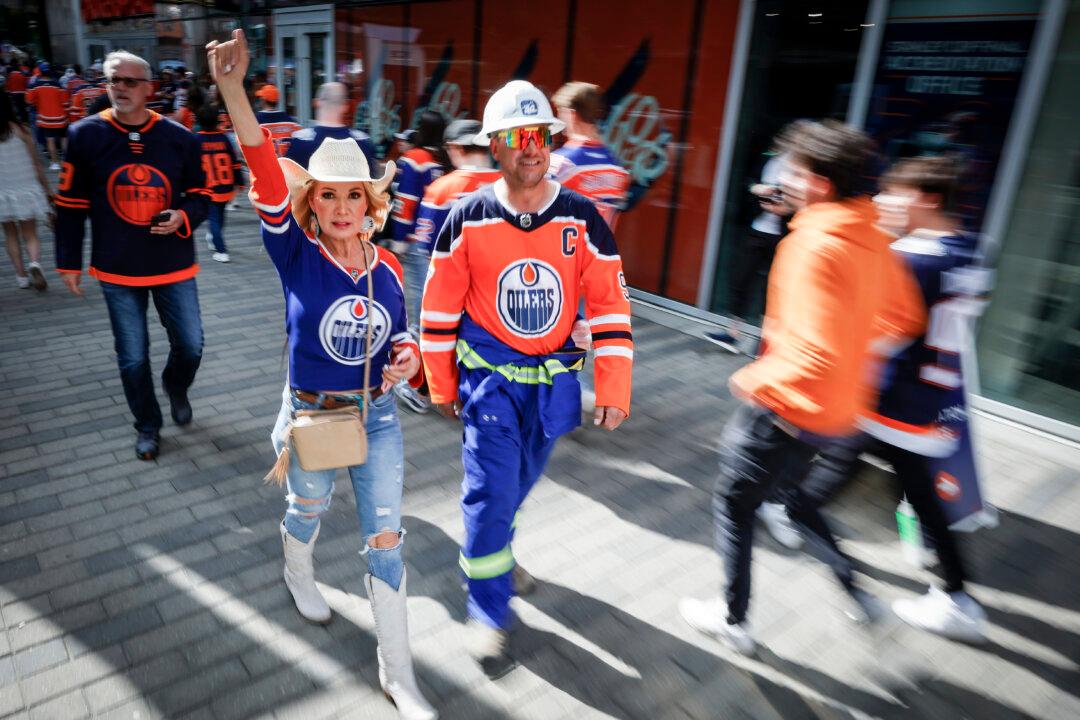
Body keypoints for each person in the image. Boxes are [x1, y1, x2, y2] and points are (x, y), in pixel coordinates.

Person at [208, 30, 437, 720]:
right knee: (307, 509)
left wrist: (413, 353)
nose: (342, 208)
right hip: (313, 415)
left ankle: (399, 675)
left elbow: (402, 333)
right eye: (330, 196)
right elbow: (266, 171)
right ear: (317, 204)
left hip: (379, 415)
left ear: (372, 205)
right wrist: (231, 90)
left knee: (387, 539)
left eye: (355, 197)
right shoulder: (295, 252)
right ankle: (296, 569)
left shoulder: (390, 267)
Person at [678, 119, 926, 656]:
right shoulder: (874, 238)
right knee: (790, 499)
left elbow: (815, 349)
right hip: (835, 414)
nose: (785, 179)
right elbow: (905, 317)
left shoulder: (812, 242)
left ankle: (732, 619)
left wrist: (754, 378)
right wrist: (852, 353)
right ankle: (859, 595)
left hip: (787, 408)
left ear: (820, 182)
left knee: (734, 504)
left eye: (795, 170)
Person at [421, 80, 634, 677]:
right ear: (495, 147)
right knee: (490, 497)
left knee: (516, 487)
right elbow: (438, 312)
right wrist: (440, 383)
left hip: (554, 387)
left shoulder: (582, 216)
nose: (530, 148)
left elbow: (611, 306)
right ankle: (488, 610)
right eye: (515, 138)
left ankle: (498, 554)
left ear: (551, 140)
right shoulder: (467, 216)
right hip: (489, 387)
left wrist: (614, 388)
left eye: (538, 135)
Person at [789, 156, 988, 641]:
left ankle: (816, 544)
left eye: (897, 193)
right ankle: (957, 597)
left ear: (929, 199)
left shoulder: (912, 259)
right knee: (918, 493)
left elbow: (875, 330)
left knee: (816, 484)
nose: (884, 202)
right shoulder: (972, 251)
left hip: (891, 400)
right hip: (931, 399)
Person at [53, 50, 210, 461]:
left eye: (129, 81)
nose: (119, 87)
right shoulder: (85, 135)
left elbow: (202, 196)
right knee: (132, 355)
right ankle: (147, 425)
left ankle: (175, 385)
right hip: (117, 266)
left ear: (149, 88)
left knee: (191, 345)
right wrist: (68, 261)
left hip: (173, 262)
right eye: (113, 80)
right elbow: (69, 204)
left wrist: (182, 216)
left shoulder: (180, 139)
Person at [393, 118, 500, 415]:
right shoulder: (508, 186)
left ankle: (416, 387)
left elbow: (428, 245)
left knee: (431, 330)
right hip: (495, 289)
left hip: (451, 284)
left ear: (453, 148)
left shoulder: (442, 188)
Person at [705, 147, 793, 355]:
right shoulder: (768, 159)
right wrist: (757, 189)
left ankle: (765, 343)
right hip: (758, 228)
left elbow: (804, 201)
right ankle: (733, 334)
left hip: (783, 235)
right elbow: (749, 182)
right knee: (740, 279)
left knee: (772, 289)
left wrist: (786, 207)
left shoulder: (801, 167)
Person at [391, 111, 449, 329]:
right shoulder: (445, 159)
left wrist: (399, 239)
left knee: (418, 290)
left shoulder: (414, 158)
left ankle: (419, 335)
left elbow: (405, 201)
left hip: (418, 237)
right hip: (443, 236)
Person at [548, 82, 630, 230]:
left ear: (571, 115)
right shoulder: (617, 168)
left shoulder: (560, 163)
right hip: (602, 251)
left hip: (564, 251)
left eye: (560, 112)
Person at [0, 90, 52, 290]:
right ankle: (35, 263)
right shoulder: (22, 130)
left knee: (10, 234)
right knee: (30, 233)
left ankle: (21, 276)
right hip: (26, 187)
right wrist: (47, 190)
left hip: (3, 190)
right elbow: (36, 164)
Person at [285, 82, 377, 170]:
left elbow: (287, 181)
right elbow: (372, 182)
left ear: (316, 103)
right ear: (345, 106)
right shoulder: (363, 142)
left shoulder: (300, 142)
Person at [196, 103, 243, 263]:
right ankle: (213, 237)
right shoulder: (224, 138)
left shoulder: (196, 140)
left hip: (208, 187)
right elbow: (235, 162)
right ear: (218, 120)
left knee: (214, 218)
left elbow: (191, 165)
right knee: (220, 215)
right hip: (226, 186)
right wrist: (240, 181)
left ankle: (221, 250)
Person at [25, 68, 68, 170]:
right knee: (64, 139)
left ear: (40, 74)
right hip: (61, 117)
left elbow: (28, 101)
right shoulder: (58, 85)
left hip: (46, 119)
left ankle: (55, 163)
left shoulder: (34, 86)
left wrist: (37, 102)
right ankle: (67, 161)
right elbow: (65, 102)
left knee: (50, 141)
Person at [253, 84, 301, 157]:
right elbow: (300, 143)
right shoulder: (292, 122)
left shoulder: (256, 122)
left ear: (263, 100)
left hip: (269, 165)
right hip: (287, 165)